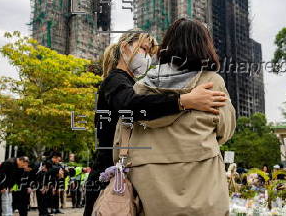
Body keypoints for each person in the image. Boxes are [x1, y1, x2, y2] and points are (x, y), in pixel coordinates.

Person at [83, 30, 228, 216]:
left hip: (119, 175)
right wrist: (183, 101)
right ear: (125, 47)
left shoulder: (131, 82)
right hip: (108, 177)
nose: (147, 58)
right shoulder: (116, 80)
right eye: (143, 49)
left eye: (150, 54)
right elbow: (131, 106)